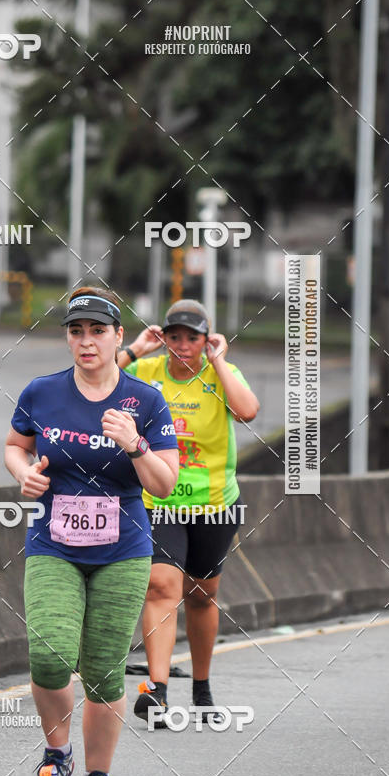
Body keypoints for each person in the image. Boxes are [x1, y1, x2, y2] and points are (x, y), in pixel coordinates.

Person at [5, 287, 179, 776]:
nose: (87, 342)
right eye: (76, 331)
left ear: (118, 336)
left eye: (98, 331)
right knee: (49, 653)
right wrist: (24, 475)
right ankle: (57, 753)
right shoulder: (42, 392)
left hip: (122, 551)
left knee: (104, 671)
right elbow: (16, 446)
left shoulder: (145, 402)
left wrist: (135, 444)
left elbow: (165, 483)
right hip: (53, 545)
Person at [117, 299, 259, 724]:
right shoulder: (147, 372)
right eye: (174, 336)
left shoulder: (221, 374)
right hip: (158, 499)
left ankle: (201, 687)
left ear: (205, 341)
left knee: (201, 595)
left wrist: (218, 362)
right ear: (163, 338)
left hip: (213, 504)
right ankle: (157, 691)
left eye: (192, 338)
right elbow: (94, 381)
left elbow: (247, 411)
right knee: (161, 586)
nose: (182, 345)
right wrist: (135, 350)